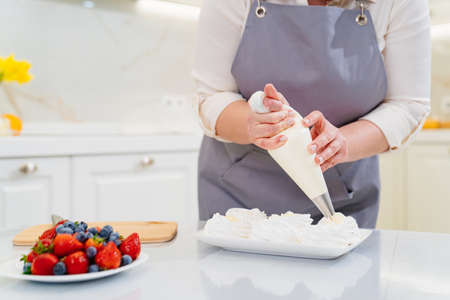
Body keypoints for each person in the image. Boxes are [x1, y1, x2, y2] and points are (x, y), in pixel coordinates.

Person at [192, 0, 431, 228]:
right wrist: (252, 123)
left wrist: (342, 142)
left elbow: (407, 105)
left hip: (343, 202)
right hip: (238, 202)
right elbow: (212, 95)